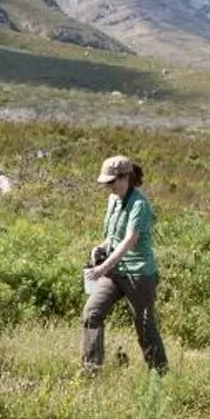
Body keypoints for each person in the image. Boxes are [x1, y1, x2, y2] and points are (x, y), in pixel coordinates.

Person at [82, 155, 166, 373]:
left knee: (144, 325)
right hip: (115, 271)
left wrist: (102, 268)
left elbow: (129, 240)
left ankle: (159, 374)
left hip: (139, 273)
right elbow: (114, 237)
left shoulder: (140, 204)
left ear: (125, 177)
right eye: (106, 183)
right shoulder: (113, 200)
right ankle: (91, 369)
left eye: (112, 182)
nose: (108, 187)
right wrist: (99, 247)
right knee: (92, 313)